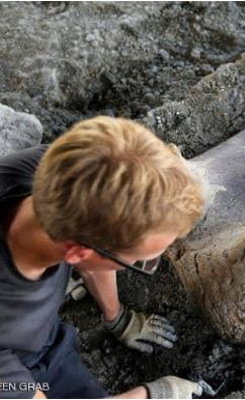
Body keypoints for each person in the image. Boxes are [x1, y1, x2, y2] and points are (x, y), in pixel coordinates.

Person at [0, 116, 214, 399]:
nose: (142, 264)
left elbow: (101, 228)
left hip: (38, 336)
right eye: (139, 261)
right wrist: (155, 393)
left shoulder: (59, 171)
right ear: (77, 252)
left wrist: (118, 318)